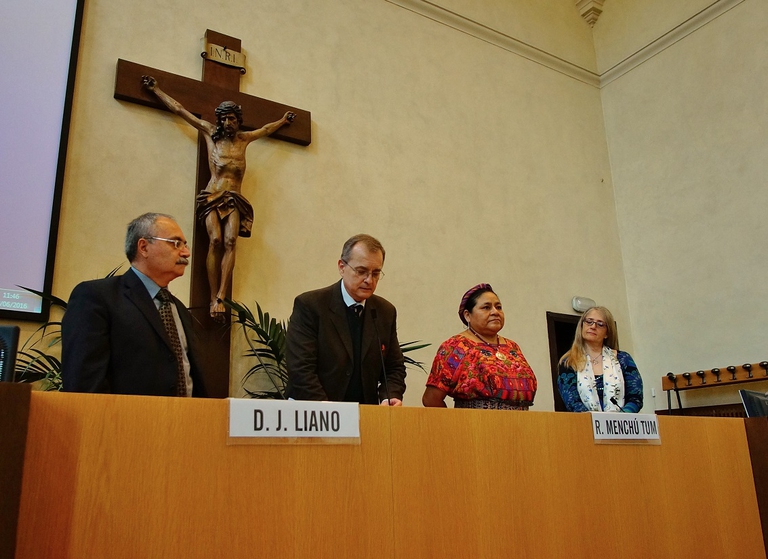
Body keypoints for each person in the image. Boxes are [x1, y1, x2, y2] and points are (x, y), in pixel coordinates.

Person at [142, 75, 295, 319]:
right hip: (213, 194)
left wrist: (283, 121)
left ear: (238, 120)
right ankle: (213, 297)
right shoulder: (209, 132)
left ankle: (222, 296)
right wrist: (157, 90)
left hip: (234, 197)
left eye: (232, 118)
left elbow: (266, 129)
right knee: (215, 241)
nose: (228, 122)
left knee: (230, 241)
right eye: (224, 118)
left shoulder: (244, 139)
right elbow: (181, 110)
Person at [62, 213, 207, 397]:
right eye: (176, 243)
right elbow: (84, 384)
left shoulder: (179, 309)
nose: (186, 253)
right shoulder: (97, 297)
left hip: (186, 421)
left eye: (185, 245)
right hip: (124, 423)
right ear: (144, 247)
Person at [285, 234, 406, 405]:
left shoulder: (385, 312)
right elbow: (300, 368)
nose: (369, 280)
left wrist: (390, 395)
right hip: (314, 412)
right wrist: (328, 411)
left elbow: (394, 368)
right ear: (342, 267)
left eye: (376, 273)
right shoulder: (310, 306)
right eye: (361, 271)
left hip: (366, 415)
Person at [422, 284, 537, 410]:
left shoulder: (512, 347)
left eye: (498, 307)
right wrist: (454, 426)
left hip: (522, 426)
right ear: (467, 315)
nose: (495, 312)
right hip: (476, 427)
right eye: (486, 307)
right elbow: (431, 399)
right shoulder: (456, 346)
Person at [557, 306, 643, 413]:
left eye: (600, 324)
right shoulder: (568, 362)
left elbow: (635, 398)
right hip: (585, 424)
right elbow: (572, 402)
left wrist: (621, 417)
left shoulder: (623, 359)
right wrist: (597, 420)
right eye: (589, 322)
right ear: (581, 326)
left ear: (607, 333)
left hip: (620, 425)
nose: (593, 326)